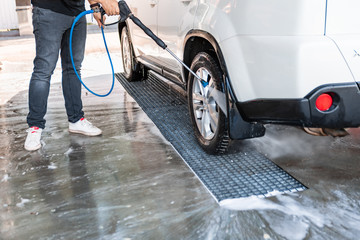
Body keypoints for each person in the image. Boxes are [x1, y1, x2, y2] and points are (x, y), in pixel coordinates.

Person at [24, 0, 119, 151]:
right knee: (43, 70)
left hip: (77, 13)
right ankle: (35, 127)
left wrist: (94, 6)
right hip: (49, 10)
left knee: (73, 68)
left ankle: (76, 120)